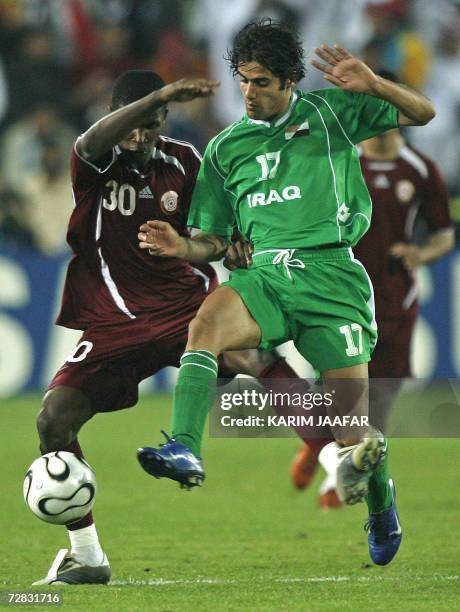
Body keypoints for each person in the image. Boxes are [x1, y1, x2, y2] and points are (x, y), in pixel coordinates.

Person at [137, 19, 436, 566]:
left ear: (291, 81)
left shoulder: (331, 115)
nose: (250, 93)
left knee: (351, 427)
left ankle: (381, 503)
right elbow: (214, 238)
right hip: (267, 277)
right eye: (244, 81)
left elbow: (423, 112)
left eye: (263, 82)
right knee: (204, 328)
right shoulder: (226, 148)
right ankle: (183, 445)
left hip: (333, 278)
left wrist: (373, 85)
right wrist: (184, 248)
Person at [33, 69, 306, 586]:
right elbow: (93, 138)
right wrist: (158, 96)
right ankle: (87, 555)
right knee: (53, 422)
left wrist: (235, 244)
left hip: (183, 307)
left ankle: (336, 453)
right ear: (118, 117)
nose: (141, 137)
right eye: (134, 124)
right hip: (111, 321)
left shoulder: (185, 162)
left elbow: (215, 233)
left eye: (154, 125)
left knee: (256, 357)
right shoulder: (93, 159)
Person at [290, 70, 454, 508]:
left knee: (381, 395)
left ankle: (336, 470)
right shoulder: (341, 160)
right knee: (336, 390)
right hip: (340, 294)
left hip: (396, 298)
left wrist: (423, 254)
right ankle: (321, 458)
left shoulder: (420, 169)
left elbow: (444, 233)